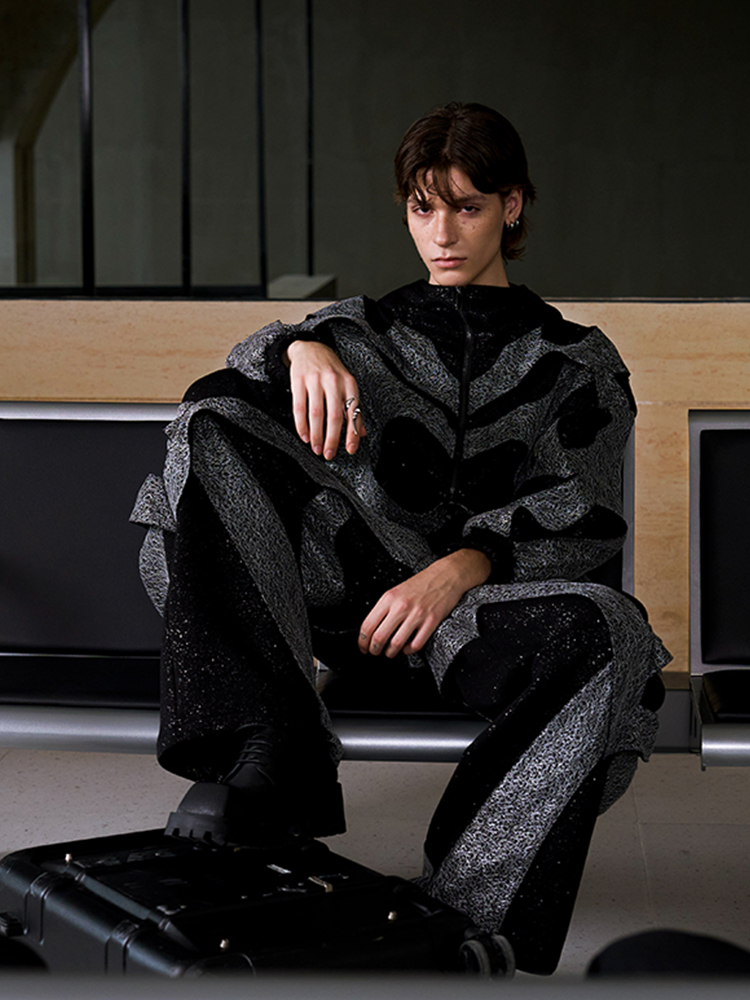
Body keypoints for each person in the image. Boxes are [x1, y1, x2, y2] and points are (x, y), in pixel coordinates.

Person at [131, 102, 670, 974]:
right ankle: (272, 751)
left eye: (467, 207)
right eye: (424, 208)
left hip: (480, 620)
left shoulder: (574, 362)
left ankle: (467, 929)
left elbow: (587, 512)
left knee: (611, 629)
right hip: (344, 601)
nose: (442, 235)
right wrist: (293, 350)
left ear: (512, 207)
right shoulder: (356, 334)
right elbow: (216, 415)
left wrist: (462, 567)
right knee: (213, 426)